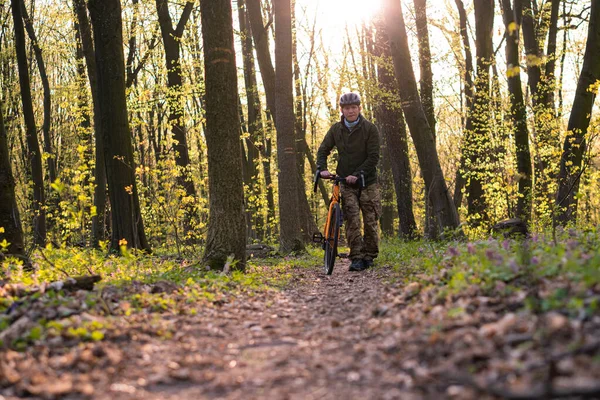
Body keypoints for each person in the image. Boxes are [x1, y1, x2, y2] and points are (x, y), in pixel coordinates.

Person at [316, 92, 381, 272]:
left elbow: (373, 156)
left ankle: (369, 255)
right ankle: (356, 257)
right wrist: (321, 168)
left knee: (370, 220)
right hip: (345, 181)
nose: (350, 111)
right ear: (342, 110)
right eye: (347, 108)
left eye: (354, 108)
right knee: (352, 219)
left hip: (367, 181)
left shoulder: (370, 128)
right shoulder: (336, 130)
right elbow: (323, 150)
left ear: (359, 108)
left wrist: (358, 173)